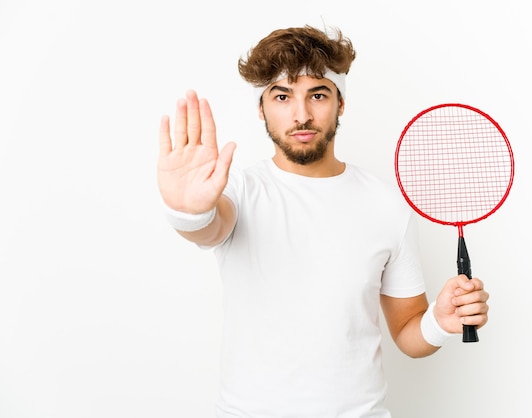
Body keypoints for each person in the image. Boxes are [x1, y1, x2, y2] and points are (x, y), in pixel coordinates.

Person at [157, 25, 489, 418]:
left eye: (318, 94)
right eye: (282, 96)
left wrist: (438, 320)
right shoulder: (239, 192)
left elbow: (407, 332)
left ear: (341, 103)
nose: (302, 115)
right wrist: (188, 210)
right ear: (261, 107)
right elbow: (209, 227)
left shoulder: (385, 205)